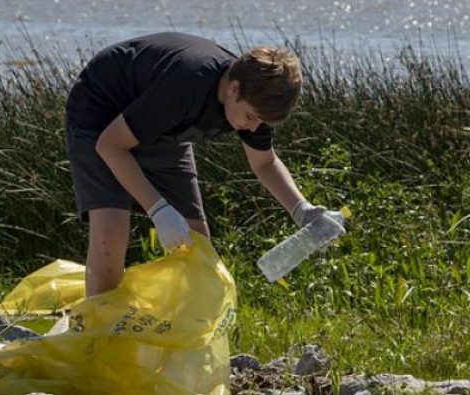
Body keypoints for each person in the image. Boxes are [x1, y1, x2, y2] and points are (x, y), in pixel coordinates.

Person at [65, 32, 327, 297]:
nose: (253, 128)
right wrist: (158, 209)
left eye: (261, 123)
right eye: (250, 117)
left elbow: (265, 163)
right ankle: (95, 333)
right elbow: (110, 146)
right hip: (101, 113)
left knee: (196, 245)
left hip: (162, 127)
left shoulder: (256, 104)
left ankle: (182, 332)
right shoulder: (186, 85)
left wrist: (301, 210)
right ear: (233, 89)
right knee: (110, 240)